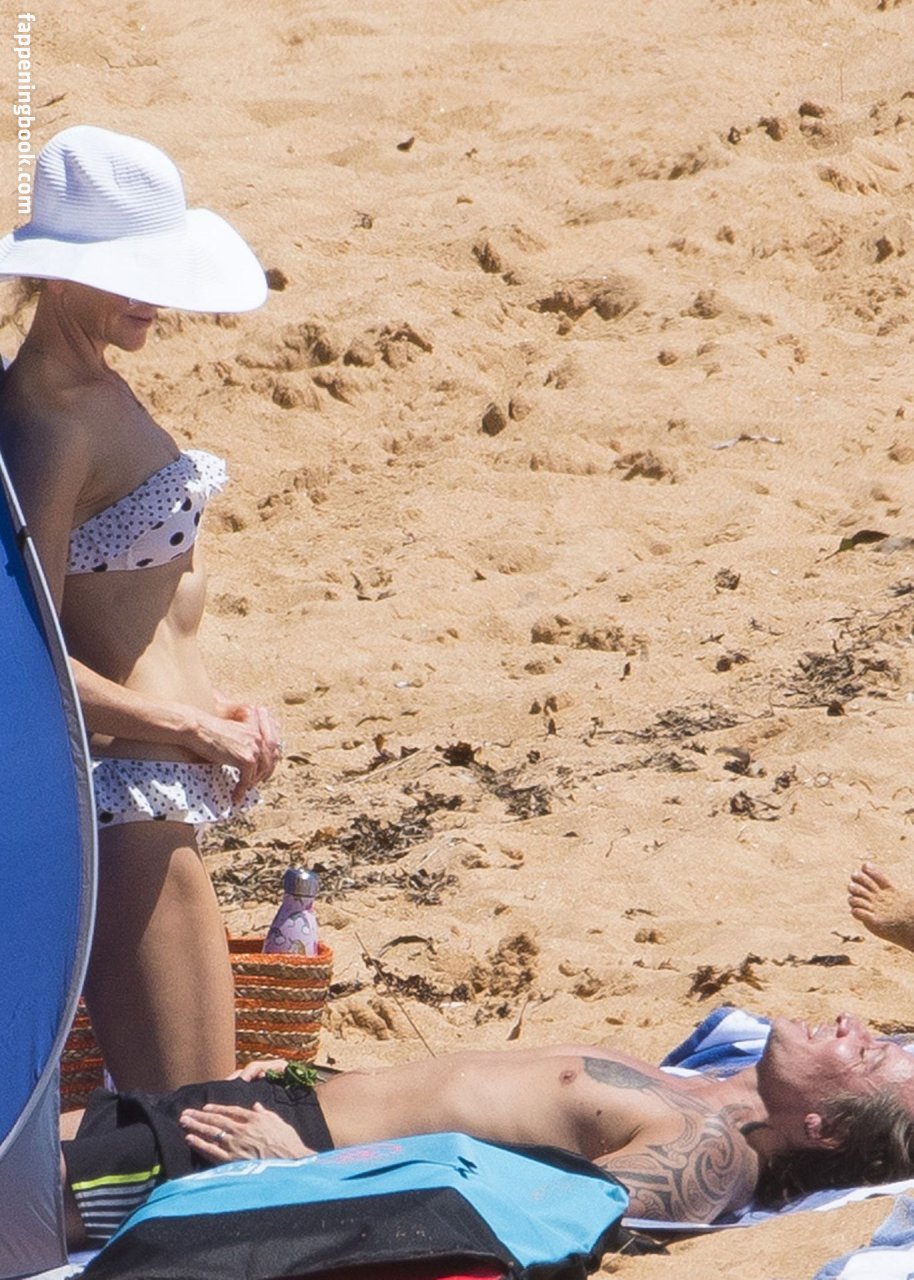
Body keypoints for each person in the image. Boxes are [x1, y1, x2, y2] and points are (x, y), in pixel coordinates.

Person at [0, 126, 281, 1093]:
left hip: (154, 788)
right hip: (124, 801)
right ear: (60, 275)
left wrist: (213, 713)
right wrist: (190, 727)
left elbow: (133, 618)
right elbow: (23, 664)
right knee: (199, 1123)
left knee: (192, 1113)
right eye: (133, 273)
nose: (155, 295)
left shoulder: (90, 390)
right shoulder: (46, 420)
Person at [61, 1013, 914, 1249]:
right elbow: (468, 1102)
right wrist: (314, 1080)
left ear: (825, 1130)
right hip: (262, 1110)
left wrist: (305, 1173)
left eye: (868, 1054)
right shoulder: (695, 1084)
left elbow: (522, 1219)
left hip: (245, 1157)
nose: (852, 1022)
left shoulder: (708, 1157)